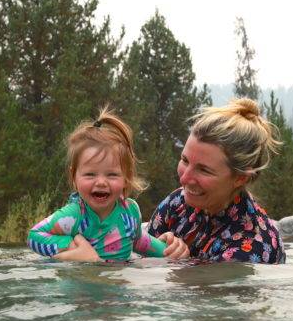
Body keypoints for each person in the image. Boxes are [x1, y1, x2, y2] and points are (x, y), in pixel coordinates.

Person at [27, 107, 187, 262]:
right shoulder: (74, 216)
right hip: (79, 286)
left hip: (116, 286)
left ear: (126, 178)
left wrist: (168, 253)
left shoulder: (130, 211)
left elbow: (137, 241)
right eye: (90, 174)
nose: (101, 182)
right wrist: (72, 248)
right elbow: (34, 235)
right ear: (74, 177)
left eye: (112, 175)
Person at [148, 98, 286, 264]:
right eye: (185, 160)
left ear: (240, 178)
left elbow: (207, 290)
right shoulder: (176, 205)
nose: (184, 178)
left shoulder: (251, 245)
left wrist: (179, 265)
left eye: (204, 170)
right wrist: (154, 248)